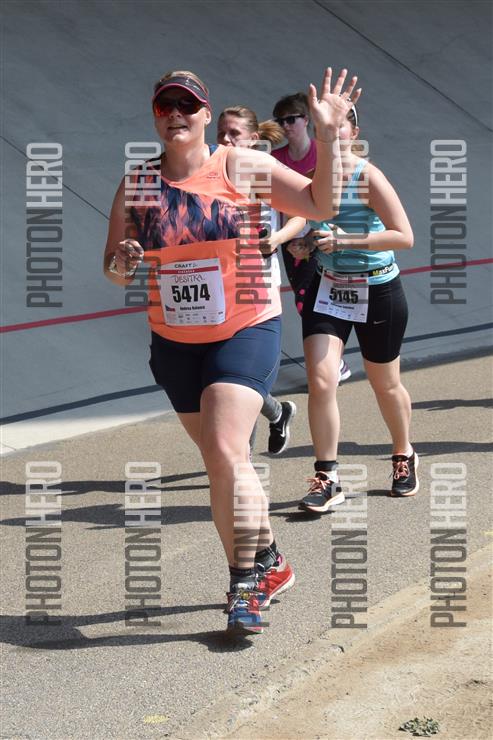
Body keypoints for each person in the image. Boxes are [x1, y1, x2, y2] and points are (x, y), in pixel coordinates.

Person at [103, 67, 361, 633]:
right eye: (165, 105)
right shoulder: (137, 184)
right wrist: (122, 262)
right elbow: (115, 269)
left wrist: (325, 137)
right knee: (226, 463)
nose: (176, 114)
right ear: (155, 115)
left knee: (225, 449)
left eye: (187, 105)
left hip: (245, 327)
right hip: (174, 343)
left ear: (204, 113)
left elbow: (319, 204)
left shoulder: (241, 165)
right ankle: (270, 559)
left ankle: (244, 585)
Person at [291, 102, 418, 513]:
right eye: (322, 130)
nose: (329, 136)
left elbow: (404, 236)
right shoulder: (316, 178)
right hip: (329, 288)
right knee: (321, 380)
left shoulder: (368, 177)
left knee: (385, 384)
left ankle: (403, 453)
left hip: (377, 288)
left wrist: (344, 241)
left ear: (353, 133)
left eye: (337, 128)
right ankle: (327, 477)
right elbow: (307, 223)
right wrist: (302, 243)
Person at [217, 105, 303, 455]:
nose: (225, 139)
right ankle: (278, 412)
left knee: (239, 380)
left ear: (253, 139)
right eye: (221, 133)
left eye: (234, 134)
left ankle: (240, 464)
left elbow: (300, 215)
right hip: (219, 285)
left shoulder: (265, 171)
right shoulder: (209, 169)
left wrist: (278, 238)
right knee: (221, 377)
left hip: (257, 286)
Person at [272, 92, 351, 383]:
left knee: (312, 300)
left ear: (306, 120)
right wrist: (282, 237)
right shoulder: (275, 159)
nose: (286, 125)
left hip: (321, 237)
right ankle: (332, 362)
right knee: (302, 299)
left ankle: (331, 363)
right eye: (280, 121)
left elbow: (336, 197)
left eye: (291, 119)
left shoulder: (321, 152)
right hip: (290, 239)